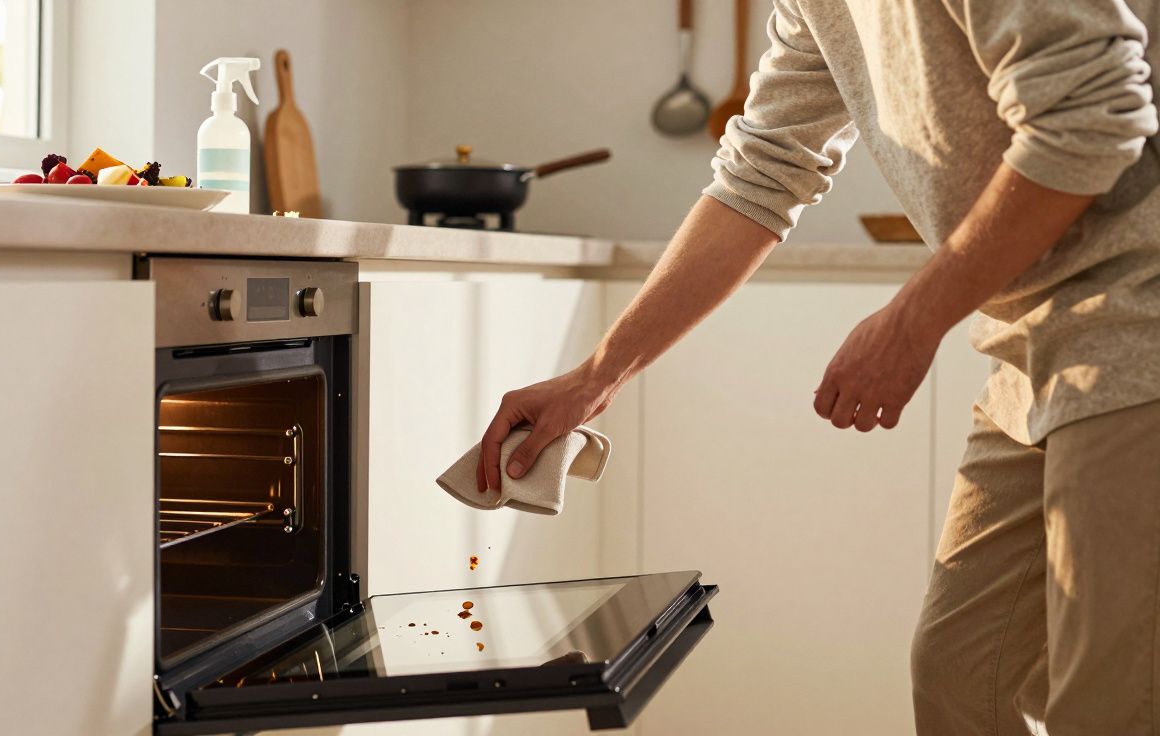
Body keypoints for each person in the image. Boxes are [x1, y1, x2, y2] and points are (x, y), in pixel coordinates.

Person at [476, 1, 1160, 732]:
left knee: (1108, 705)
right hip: (1029, 348)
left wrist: (911, 321)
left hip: (1136, 328)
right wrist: (596, 377)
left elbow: (1092, 114)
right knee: (961, 676)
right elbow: (763, 170)